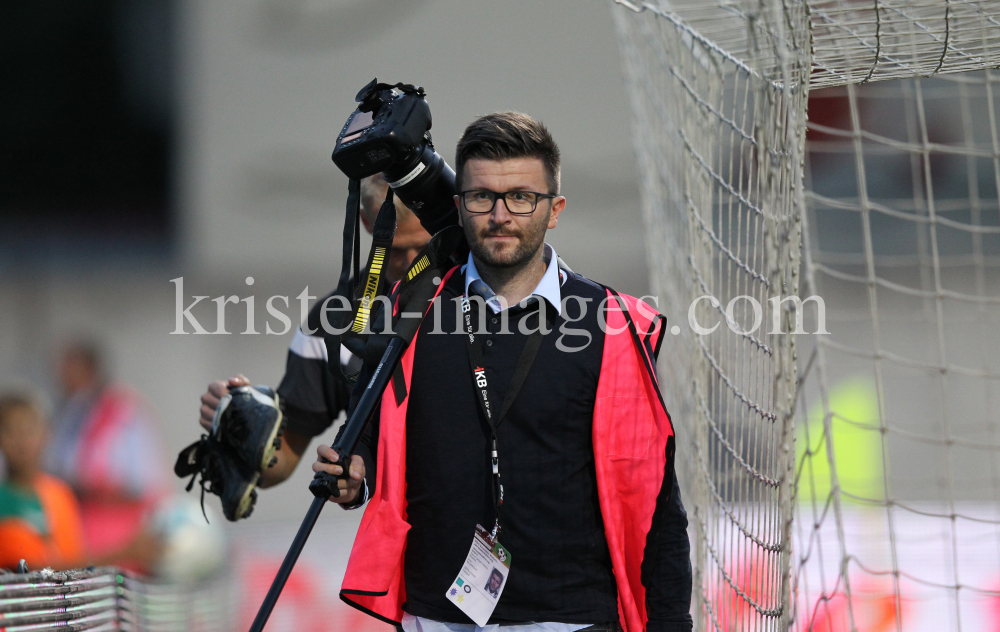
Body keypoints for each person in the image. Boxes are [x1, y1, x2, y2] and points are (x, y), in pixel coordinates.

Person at [309, 113, 692, 632]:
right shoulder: (410, 313)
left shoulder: (614, 326)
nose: (500, 214)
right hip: (435, 617)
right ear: (460, 206)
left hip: (573, 620)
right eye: (481, 197)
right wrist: (352, 476)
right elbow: (370, 447)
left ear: (554, 209)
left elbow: (657, 510)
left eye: (521, 197)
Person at [196, 175, 432, 497]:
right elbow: (279, 464)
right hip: (398, 536)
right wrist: (243, 429)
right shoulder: (334, 320)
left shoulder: (481, 299)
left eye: (425, 245)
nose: (410, 262)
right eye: (393, 248)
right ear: (365, 222)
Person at [0, 393, 161, 572]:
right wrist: (124, 552)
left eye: (29, 429)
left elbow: (75, 561)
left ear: (47, 433)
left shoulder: (59, 494)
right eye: (10, 431)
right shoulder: (2, 500)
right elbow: (36, 573)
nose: (22, 441)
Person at [44, 341, 169, 571]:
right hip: (82, 534)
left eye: (70, 368)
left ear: (90, 370)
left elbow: (143, 481)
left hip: (121, 536)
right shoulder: (70, 411)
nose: (62, 376)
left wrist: (90, 488)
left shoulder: (124, 410)